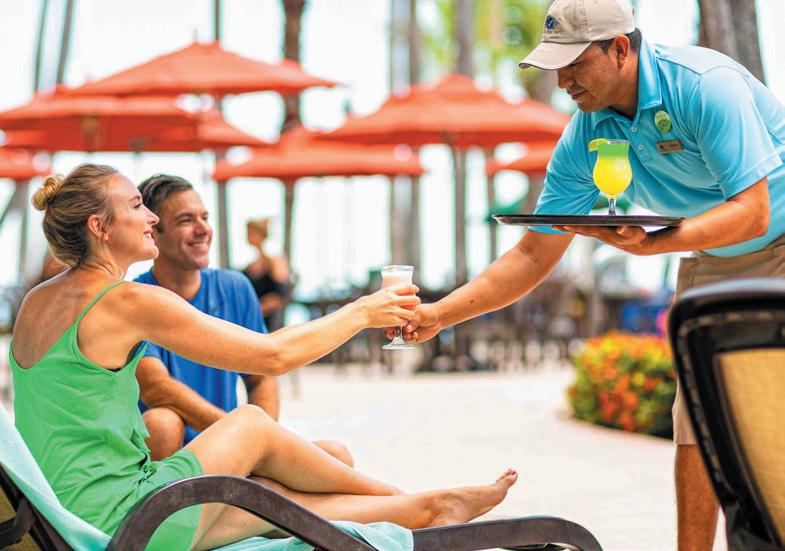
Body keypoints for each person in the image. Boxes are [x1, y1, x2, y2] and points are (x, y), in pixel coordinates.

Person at [404, 1, 785, 549]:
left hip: (777, 233)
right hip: (712, 250)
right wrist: (439, 315)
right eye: (555, 67)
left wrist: (656, 245)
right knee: (697, 415)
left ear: (620, 49)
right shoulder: (586, 133)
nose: (562, 81)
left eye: (574, 64)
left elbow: (754, 211)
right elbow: (533, 255)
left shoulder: (705, 86)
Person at [11, 164, 518, 550]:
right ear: (100, 226)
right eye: (137, 206)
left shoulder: (37, 300)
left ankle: (428, 508)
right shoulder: (125, 301)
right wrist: (363, 311)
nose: (151, 218)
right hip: (124, 518)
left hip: (66, 518)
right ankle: (414, 498)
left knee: (275, 505)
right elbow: (272, 356)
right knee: (251, 424)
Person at [134, 174, 352, 466]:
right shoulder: (136, 298)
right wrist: (242, 435)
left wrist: (261, 442)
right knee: (162, 423)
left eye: (205, 217)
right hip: (171, 455)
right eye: (186, 220)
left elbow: (260, 377)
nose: (203, 229)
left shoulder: (234, 287)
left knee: (337, 456)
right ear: (153, 233)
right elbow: (157, 388)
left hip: (228, 450)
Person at [243, 218, 290, 331]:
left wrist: (255, 311)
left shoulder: (276, 262)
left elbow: (280, 295)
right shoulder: (250, 266)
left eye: (251, 232)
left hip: (271, 325)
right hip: (251, 325)